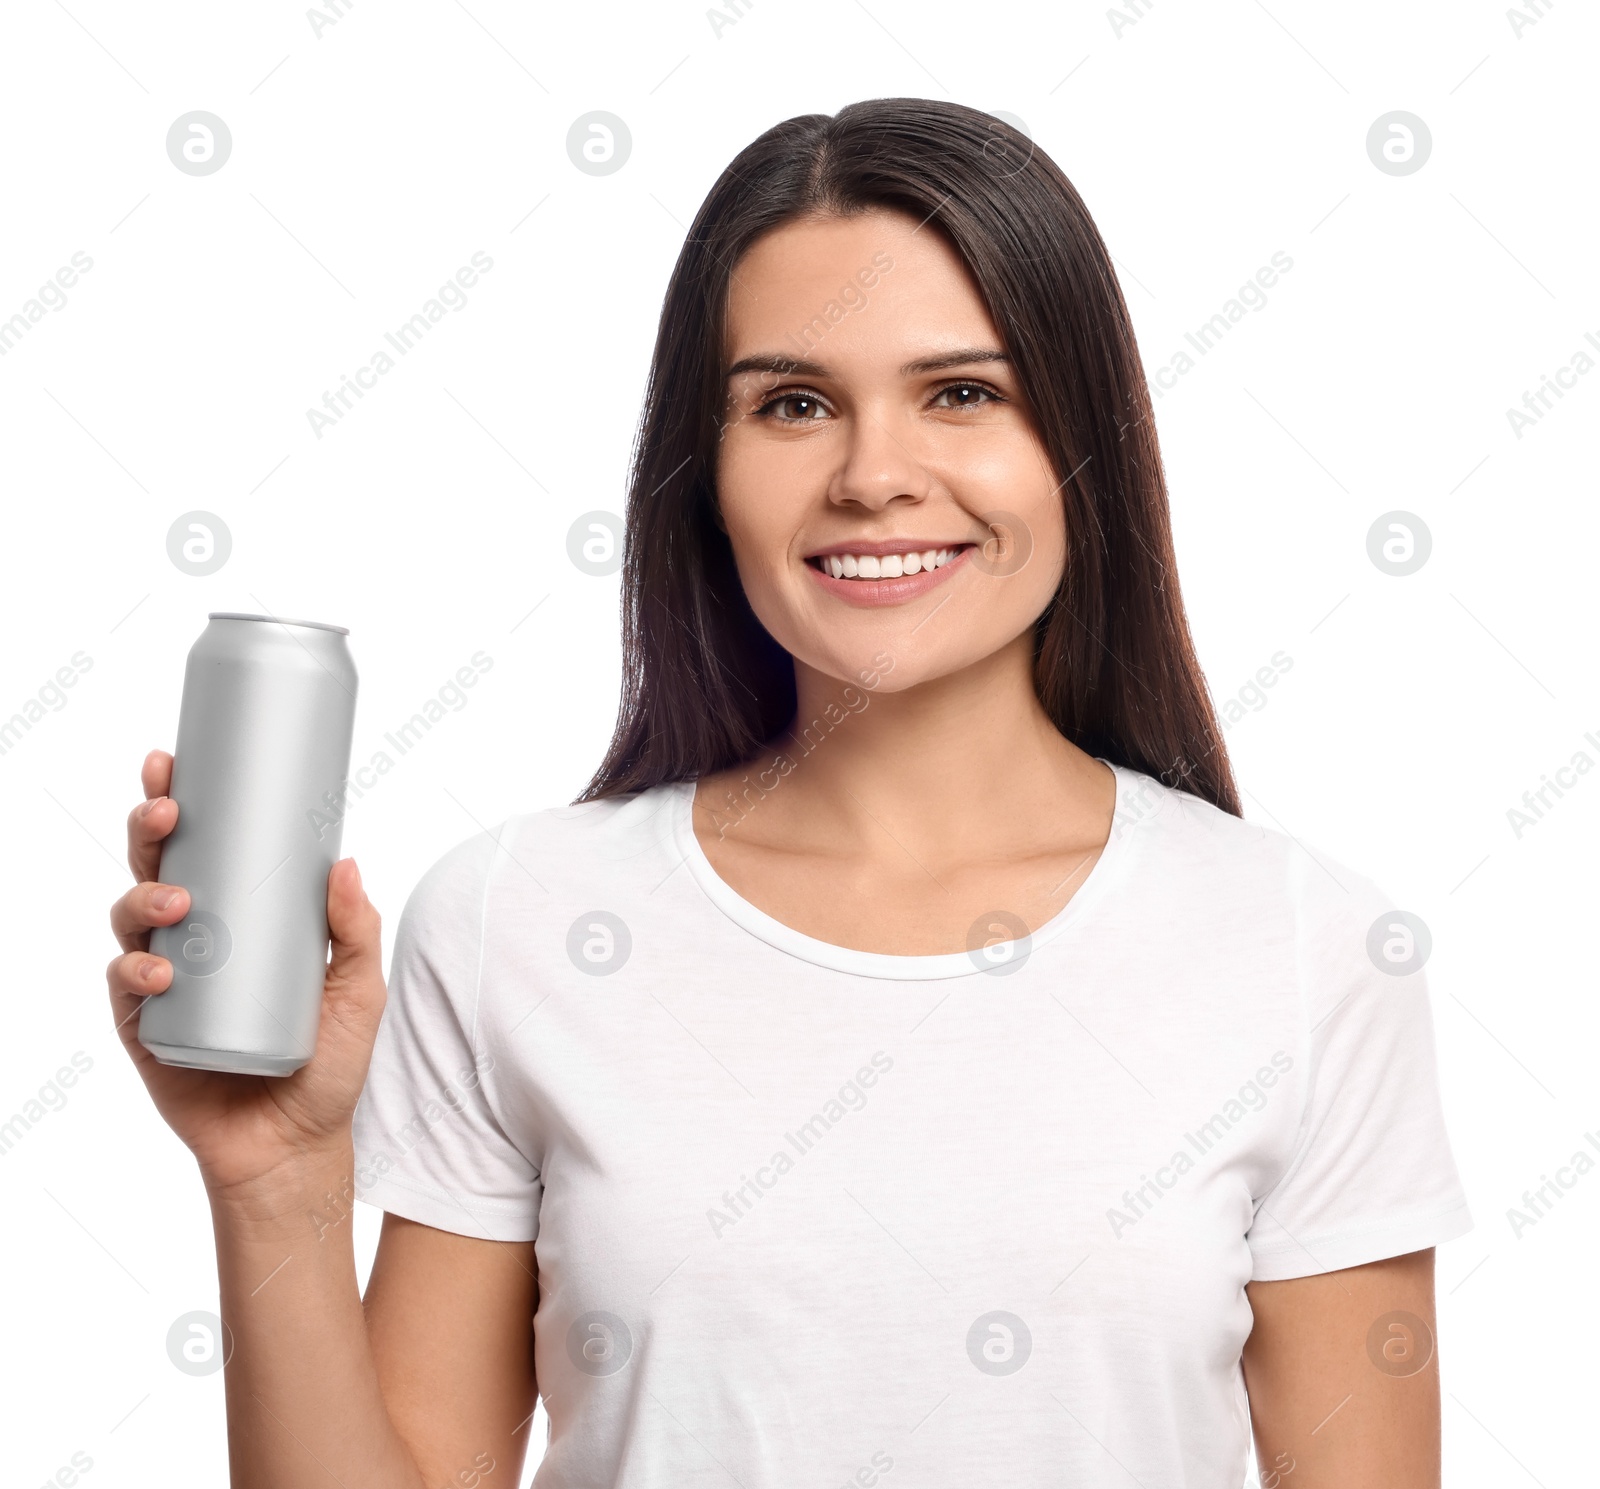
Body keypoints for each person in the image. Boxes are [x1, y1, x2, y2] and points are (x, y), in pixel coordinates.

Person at [107, 97, 1472, 1487]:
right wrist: (273, 1182)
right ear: (706, 475)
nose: (875, 476)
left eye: (963, 392)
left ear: (1083, 443)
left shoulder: (1301, 948)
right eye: (794, 404)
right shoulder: (519, 921)